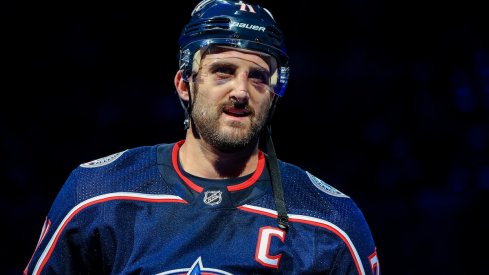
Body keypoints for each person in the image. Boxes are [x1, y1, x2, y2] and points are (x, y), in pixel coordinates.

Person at [24, 0, 380, 274]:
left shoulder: (331, 221)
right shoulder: (97, 194)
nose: (241, 91)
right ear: (184, 84)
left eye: (258, 77)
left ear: (274, 92)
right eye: (222, 71)